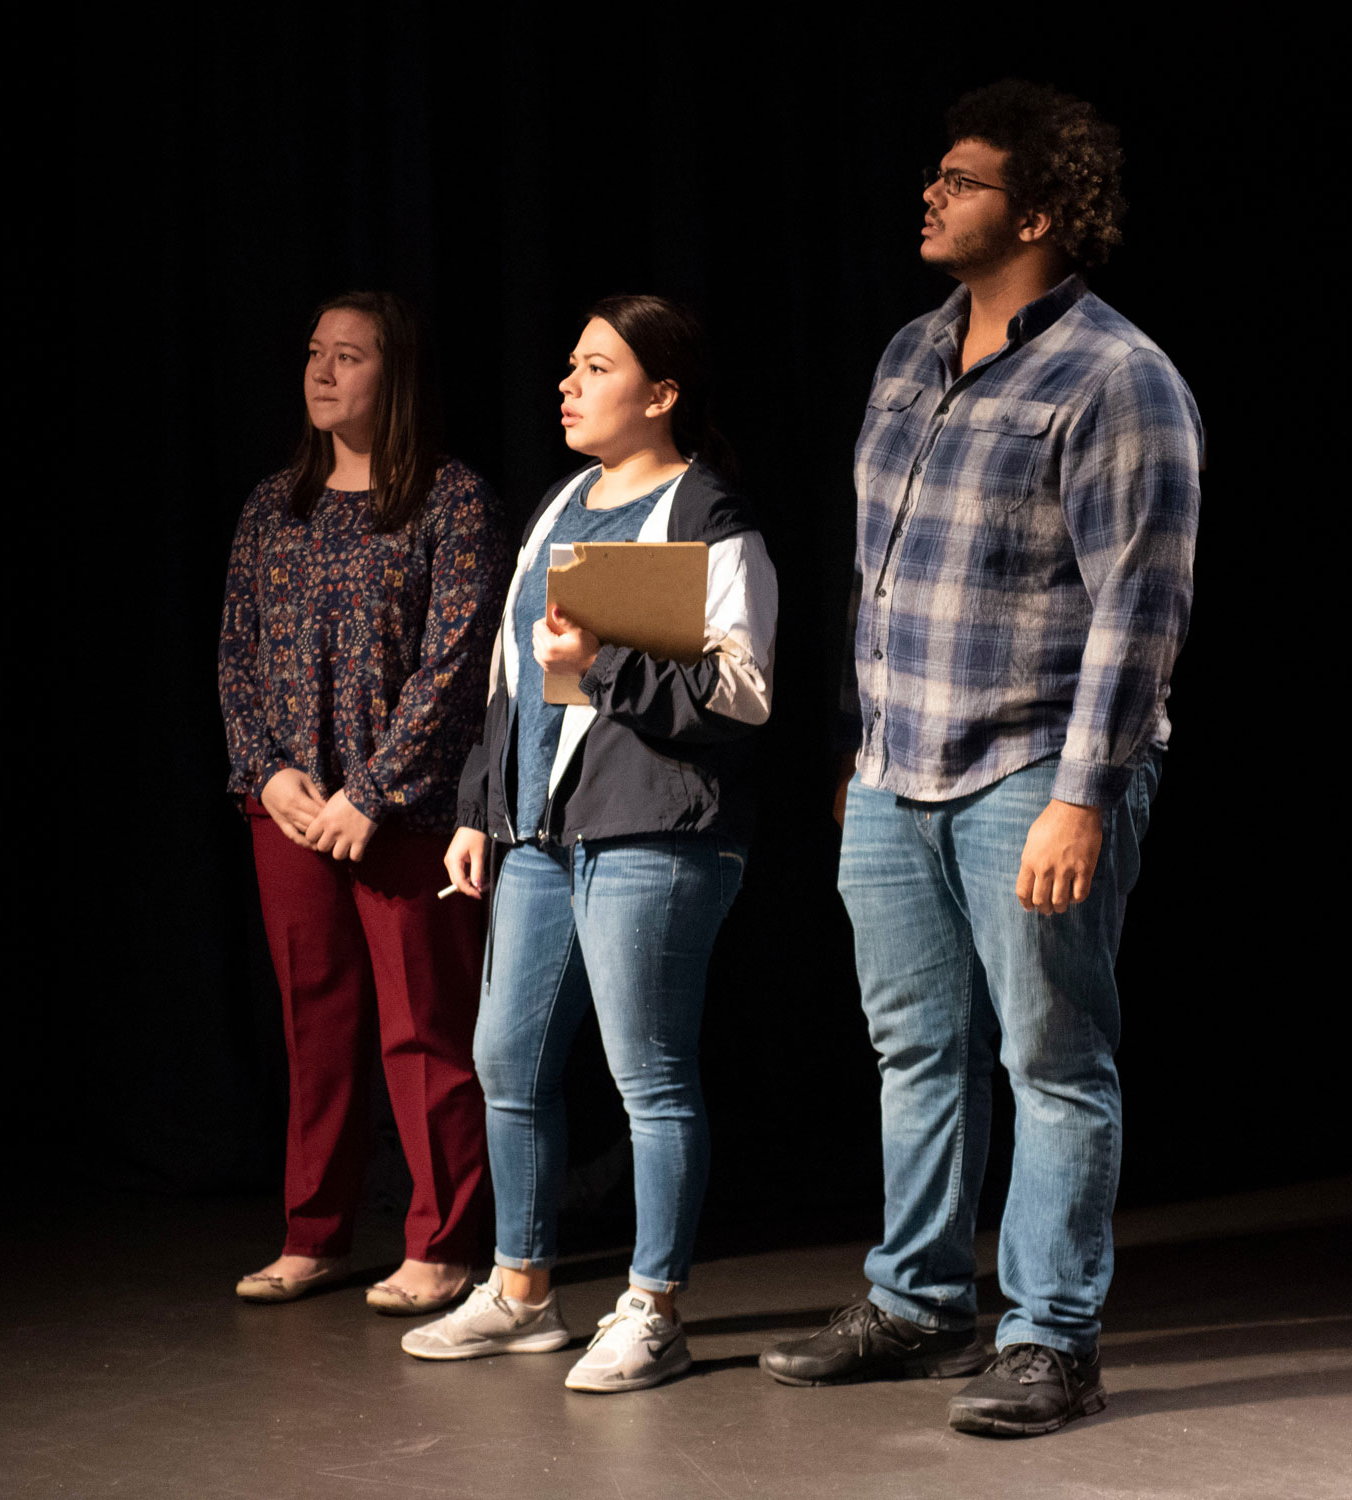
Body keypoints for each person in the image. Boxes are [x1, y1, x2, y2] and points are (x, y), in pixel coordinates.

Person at [759, 81, 1203, 1438]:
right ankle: (916, 1300)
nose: (933, 196)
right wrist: (856, 743)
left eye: (963, 180)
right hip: (897, 767)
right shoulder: (908, 355)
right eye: (937, 176)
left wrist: (1085, 793)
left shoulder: (1119, 378)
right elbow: (873, 580)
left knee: (1053, 1057)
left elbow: (1141, 605)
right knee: (914, 1049)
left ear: (1044, 213)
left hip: (1033, 771)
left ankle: (1052, 1337)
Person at [400, 295, 777, 1394]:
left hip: (653, 830)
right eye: (568, 365)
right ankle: (521, 1294)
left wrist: (608, 659)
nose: (566, 385)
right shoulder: (564, 503)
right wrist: (479, 807)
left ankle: (654, 1307)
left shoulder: (708, 511)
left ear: (659, 395)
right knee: (505, 1060)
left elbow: (746, 693)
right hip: (538, 834)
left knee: (647, 1078)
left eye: (595, 367)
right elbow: (511, 679)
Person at [217, 290, 507, 1311]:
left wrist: (373, 792)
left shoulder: (450, 500)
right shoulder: (272, 506)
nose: (322, 371)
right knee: (315, 1022)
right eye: (313, 352)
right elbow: (237, 658)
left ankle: (443, 1240)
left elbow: (458, 660)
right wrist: (268, 772)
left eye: (349, 355)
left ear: (397, 375)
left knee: (424, 1026)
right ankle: (315, 1234)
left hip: (409, 811)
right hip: (289, 809)